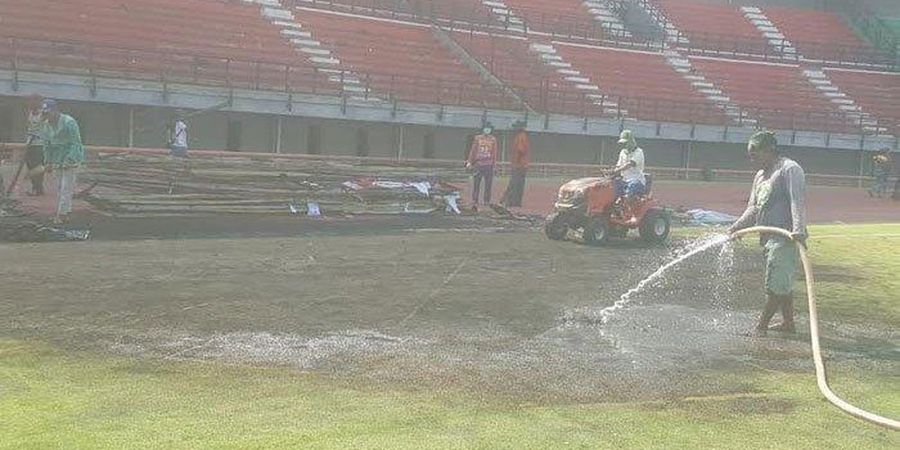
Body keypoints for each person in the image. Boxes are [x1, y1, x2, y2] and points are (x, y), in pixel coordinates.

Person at [727, 131, 807, 337]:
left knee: (775, 286)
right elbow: (753, 208)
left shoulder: (789, 169)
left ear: (770, 150)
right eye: (749, 155)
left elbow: (796, 201)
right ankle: (789, 323)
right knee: (781, 282)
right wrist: (736, 227)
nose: (751, 159)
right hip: (767, 237)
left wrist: (798, 229)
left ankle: (760, 326)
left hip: (785, 237)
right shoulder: (760, 176)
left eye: (755, 154)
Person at [40, 100, 85, 224]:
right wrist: (47, 162)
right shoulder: (46, 125)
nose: (47, 116)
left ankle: (62, 214)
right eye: (45, 113)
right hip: (57, 159)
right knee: (59, 188)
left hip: (71, 157)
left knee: (66, 187)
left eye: (49, 113)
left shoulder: (69, 122)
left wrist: (69, 158)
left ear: (55, 111)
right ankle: (66, 211)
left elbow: (76, 142)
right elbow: (47, 145)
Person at [608, 129, 646, 223]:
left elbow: (630, 164)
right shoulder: (623, 152)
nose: (624, 145)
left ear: (631, 141)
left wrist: (617, 170)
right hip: (624, 179)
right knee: (609, 188)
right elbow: (619, 164)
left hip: (636, 180)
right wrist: (611, 170)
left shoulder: (638, 152)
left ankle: (629, 213)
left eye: (625, 143)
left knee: (630, 190)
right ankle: (613, 210)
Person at [466, 122, 498, 207]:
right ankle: (474, 199)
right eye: (486, 128)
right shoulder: (478, 138)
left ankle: (486, 200)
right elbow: (473, 150)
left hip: (489, 164)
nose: (487, 130)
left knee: (488, 184)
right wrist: (469, 161)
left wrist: (494, 165)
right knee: (476, 183)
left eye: (489, 128)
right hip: (478, 164)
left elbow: (494, 153)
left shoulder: (493, 139)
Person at [500, 120, 529, 208]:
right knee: (519, 184)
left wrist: (516, 162)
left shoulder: (520, 137)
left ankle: (509, 201)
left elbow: (520, 150)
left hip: (518, 165)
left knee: (514, 183)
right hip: (523, 164)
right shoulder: (523, 136)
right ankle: (516, 202)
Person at [24, 94, 46, 196]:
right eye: (29, 101)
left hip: (40, 144)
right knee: (30, 165)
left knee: (38, 167)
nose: (30, 103)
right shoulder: (29, 112)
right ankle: (35, 187)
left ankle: (38, 188)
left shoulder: (44, 112)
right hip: (30, 143)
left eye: (32, 100)